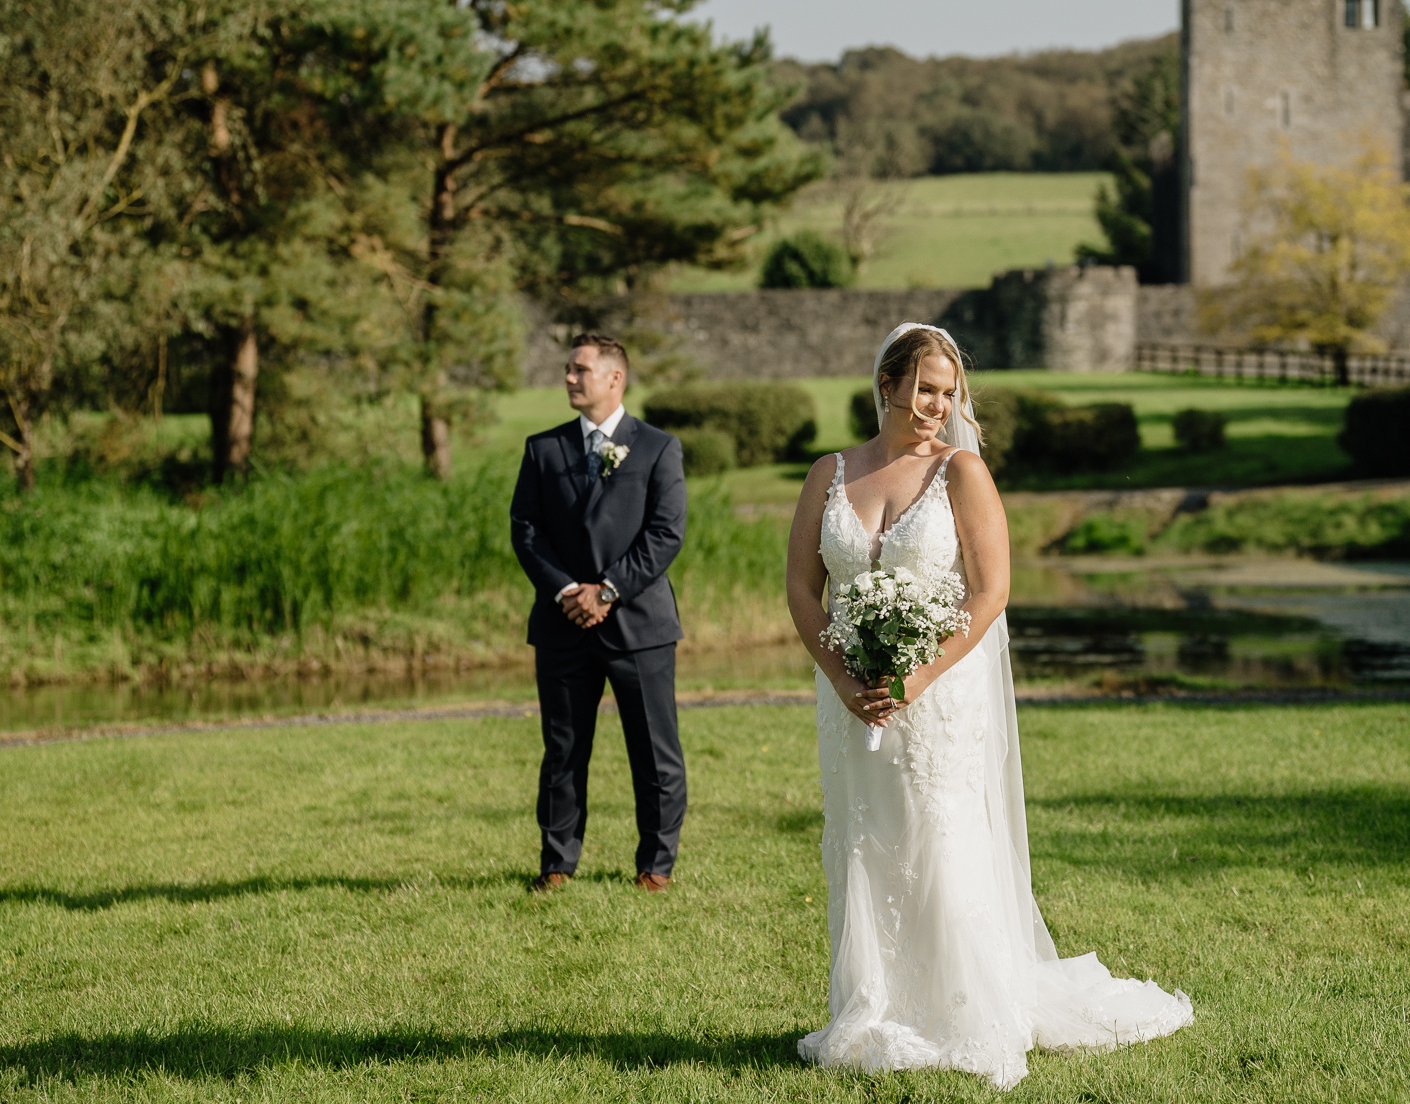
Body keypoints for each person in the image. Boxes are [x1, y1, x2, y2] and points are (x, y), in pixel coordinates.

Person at [784, 323, 1193, 1090]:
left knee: (942, 839)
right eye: (924, 390)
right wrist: (843, 676)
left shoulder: (960, 471)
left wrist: (916, 677)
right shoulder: (829, 474)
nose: (938, 406)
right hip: (847, 696)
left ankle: (962, 1012)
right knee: (863, 840)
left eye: (949, 393)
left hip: (936, 697)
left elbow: (990, 592)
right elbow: (805, 588)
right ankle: (872, 1006)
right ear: (886, 386)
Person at [510, 334, 688, 894]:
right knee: (562, 749)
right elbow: (527, 532)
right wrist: (567, 591)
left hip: (638, 625)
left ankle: (656, 866)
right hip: (563, 625)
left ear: (615, 379)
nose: (568, 377)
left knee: (655, 752)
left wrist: (608, 590)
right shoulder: (542, 449)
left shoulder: (659, 448)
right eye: (567, 369)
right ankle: (557, 864)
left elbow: (666, 534)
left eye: (579, 369)